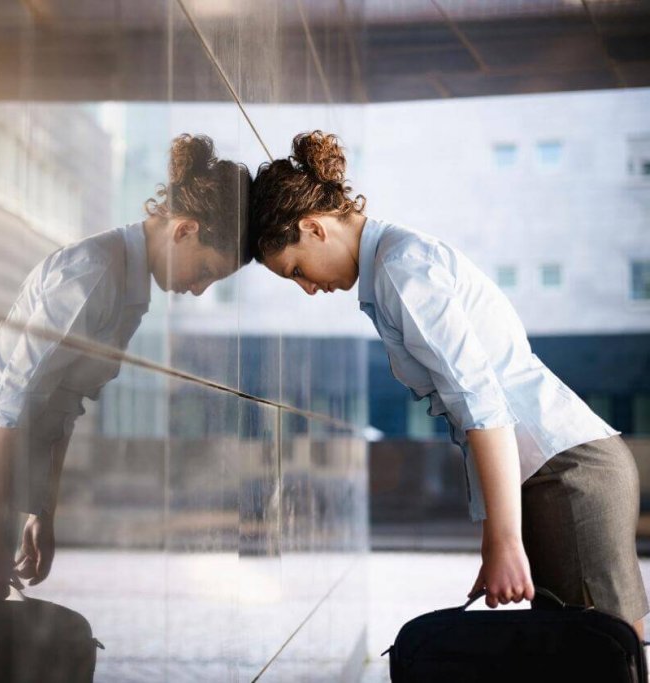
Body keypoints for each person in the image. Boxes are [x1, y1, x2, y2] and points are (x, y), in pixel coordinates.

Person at [247, 130, 648, 636]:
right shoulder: (394, 265)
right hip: (561, 471)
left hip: (565, 473)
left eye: (297, 269)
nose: (308, 288)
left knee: (602, 657)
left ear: (313, 227)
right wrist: (495, 537)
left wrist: (504, 540)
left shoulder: (400, 269)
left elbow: (481, 404)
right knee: (596, 655)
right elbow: (471, 416)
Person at [0, 134, 250, 601]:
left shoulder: (130, 291)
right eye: (207, 271)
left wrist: (40, 512)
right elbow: (12, 398)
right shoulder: (95, 271)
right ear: (184, 230)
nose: (199, 289)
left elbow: (63, 409)